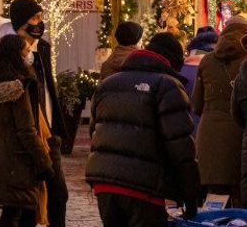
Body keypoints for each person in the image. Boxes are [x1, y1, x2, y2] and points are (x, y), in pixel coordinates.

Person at [87, 32, 202, 226]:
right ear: (173, 61)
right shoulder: (167, 86)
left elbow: (95, 133)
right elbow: (180, 147)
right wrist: (190, 194)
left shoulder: (108, 84)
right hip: (143, 188)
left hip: (104, 184)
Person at [0, 34, 53, 227]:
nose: (30, 54)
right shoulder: (18, 87)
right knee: (23, 210)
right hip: (18, 157)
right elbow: (26, 129)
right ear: (16, 55)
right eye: (26, 51)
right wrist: (44, 162)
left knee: (12, 209)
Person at [8, 0, 68, 227]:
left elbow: (49, 87)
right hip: (27, 133)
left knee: (58, 194)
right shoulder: (11, 51)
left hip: (49, 132)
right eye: (35, 18)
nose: (39, 23)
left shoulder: (43, 47)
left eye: (40, 18)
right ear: (21, 22)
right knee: (24, 201)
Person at [193, 14, 247, 204]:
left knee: (215, 200)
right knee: (241, 199)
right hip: (240, 138)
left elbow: (196, 105)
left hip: (210, 138)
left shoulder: (206, 60)